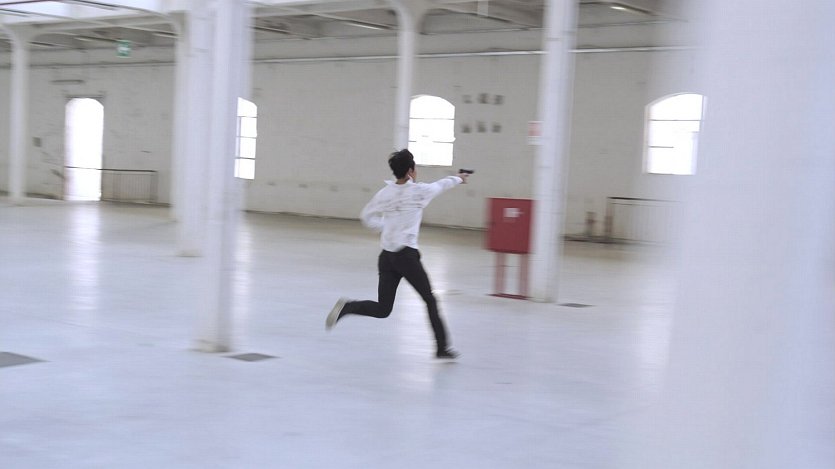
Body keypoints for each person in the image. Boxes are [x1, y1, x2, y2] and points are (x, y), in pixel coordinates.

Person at [326, 149, 470, 359]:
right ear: (411, 171)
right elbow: (442, 184)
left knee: (383, 309)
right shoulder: (419, 192)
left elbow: (366, 216)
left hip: (387, 257)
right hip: (406, 257)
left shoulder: (385, 193)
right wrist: (459, 178)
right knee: (430, 300)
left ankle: (348, 307)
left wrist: (385, 227)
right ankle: (442, 348)